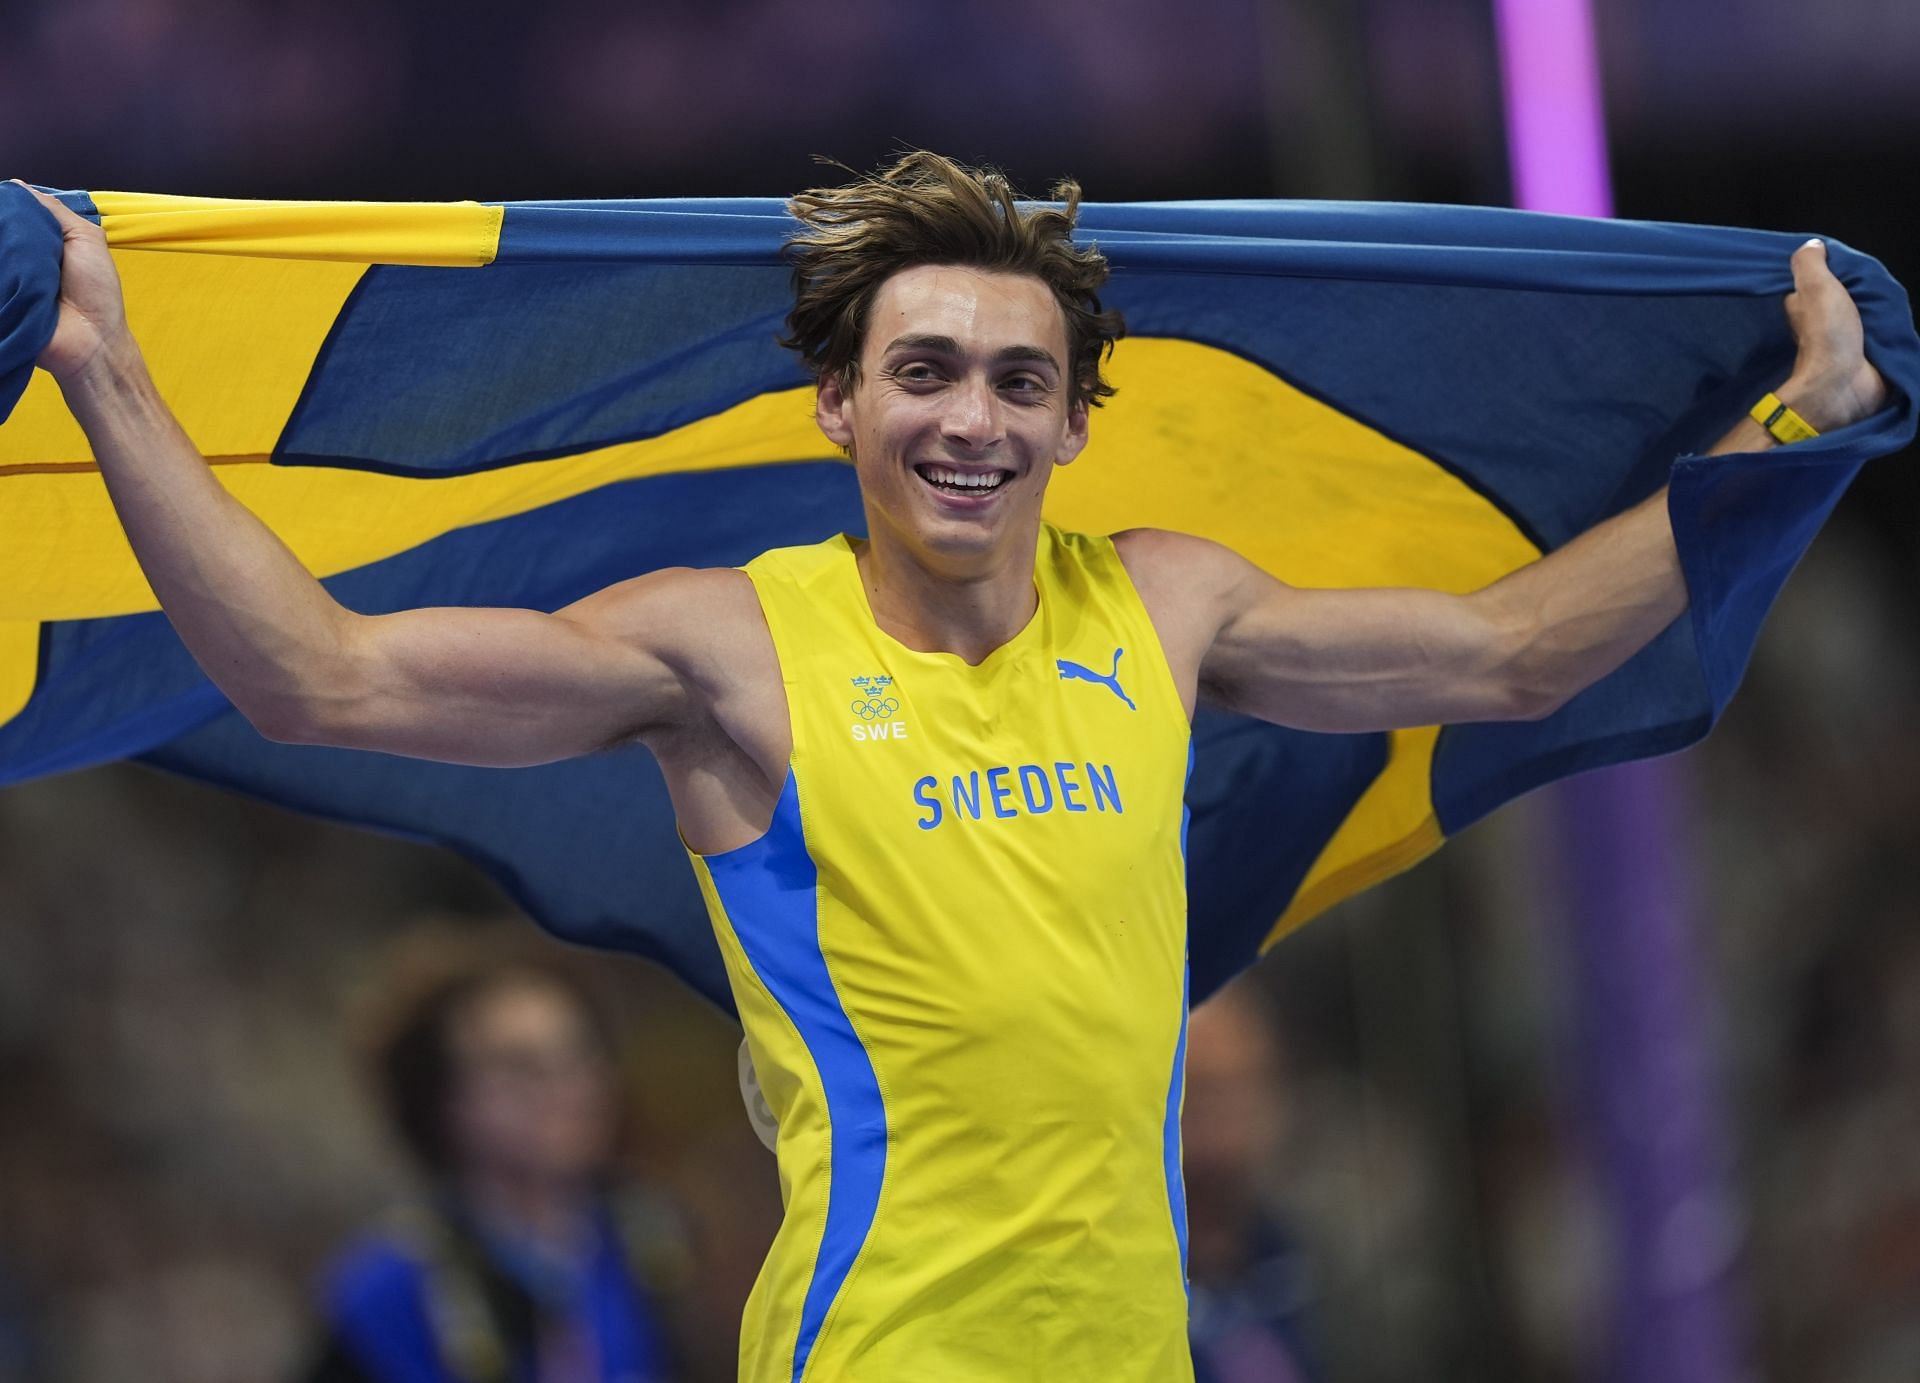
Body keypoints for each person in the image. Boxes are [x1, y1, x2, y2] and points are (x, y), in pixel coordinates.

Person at [10, 151, 1887, 1381]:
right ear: (838, 406)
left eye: (1016, 377)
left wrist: (1797, 427)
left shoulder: (1165, 605)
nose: (969, 415)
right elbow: (317, 671)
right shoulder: (727, 644)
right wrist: (106, 366)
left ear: (1077, 419)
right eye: (923, 371)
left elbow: (1515, 650)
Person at [302, 931, 688, 1383]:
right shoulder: (391, 1293)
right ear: (444, 1099)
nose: (568, 1088)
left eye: (579, 1056)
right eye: (521, 1067)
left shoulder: (652, 1242)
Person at [1182, 981, 1321, 1383]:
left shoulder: (1288, 1263)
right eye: (1203, 1097)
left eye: (1243, 1093)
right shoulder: (1127, 1292)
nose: (1227, 1136)